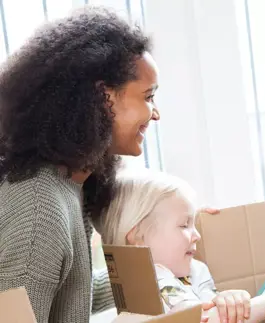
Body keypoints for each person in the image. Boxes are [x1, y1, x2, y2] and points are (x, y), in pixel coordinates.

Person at [0, 7, 160, 323]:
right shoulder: (40, 211)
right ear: (104, 97)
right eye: (148, 96)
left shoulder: (67, 181)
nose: (155, 113)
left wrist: (162, 274)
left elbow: (66, 290)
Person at [96, 170, 265, 323]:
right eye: (184, 226)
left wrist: (225, 299)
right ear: (138, 238)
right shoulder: (156, 278)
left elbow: (210, 304)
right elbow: (204, 320)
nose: (196, 235)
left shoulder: (189, 270)